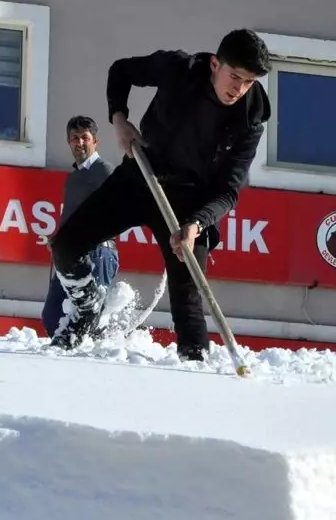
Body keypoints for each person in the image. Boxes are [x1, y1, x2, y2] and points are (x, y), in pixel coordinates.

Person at [47, 28, 272, 360]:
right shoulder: (179, 69)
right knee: (66, 247)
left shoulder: (251, 119)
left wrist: (198, 223)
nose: (238, 89)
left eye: (248, 82)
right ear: (214, 64)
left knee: (189, 298)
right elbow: (121, 70)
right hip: (141, 174)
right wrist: (119, 118)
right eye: (234, 76)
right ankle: (86, 307)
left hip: (190, 204)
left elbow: (229, 188)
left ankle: (193, 367)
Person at [38, 116, 118, 338]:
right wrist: (59, 238)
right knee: (53, 315)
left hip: (98, 252)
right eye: (75, 138)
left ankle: (98, 361)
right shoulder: (74, 177)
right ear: (68, 142)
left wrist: (88, 236)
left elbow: (117, 213)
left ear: (96, 142)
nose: (80, 143)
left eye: (85, 137)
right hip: (70, 254)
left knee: (91, 317)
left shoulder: (105, 171)